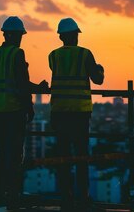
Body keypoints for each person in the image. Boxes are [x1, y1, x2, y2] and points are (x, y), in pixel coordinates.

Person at [0, 16, 48, 210]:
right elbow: (21, 84)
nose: (22, 39)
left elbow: (8, 80)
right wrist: (30, 105)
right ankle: (13, 197)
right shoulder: (17, 54)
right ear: (16, 35)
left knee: (1, 152)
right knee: (14, 155)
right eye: (21, 35)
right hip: (14, 110)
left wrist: (34, 87)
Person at [49, 17, 104, 211]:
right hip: (79, 113)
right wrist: (100, 69)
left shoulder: (53, 56)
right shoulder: (84, 54)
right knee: (81, 157)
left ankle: (66, 198)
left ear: (61, 36)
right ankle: (83, 198)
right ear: (75, 35)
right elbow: (98, 80)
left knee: (63, 158)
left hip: (59, 112)